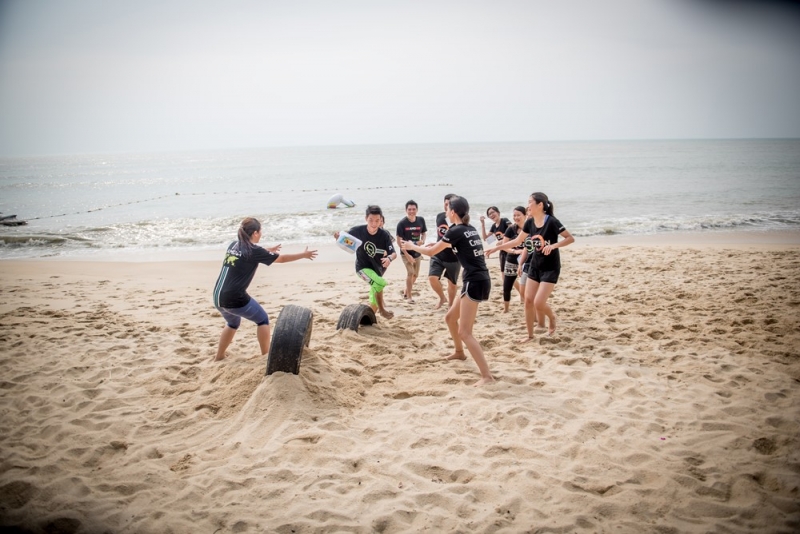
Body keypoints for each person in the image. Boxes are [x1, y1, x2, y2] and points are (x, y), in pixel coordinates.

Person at [401, 195, 494, 386]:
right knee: (450, 318)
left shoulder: (456, 230)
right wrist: (429, 246)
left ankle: (487, 376)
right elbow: (445, 247)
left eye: (447, 209)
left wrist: (412, 246)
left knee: (465, 332)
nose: (445, 212)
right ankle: (459, 353)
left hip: (475, 282)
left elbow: (433, 252)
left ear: (452, 212)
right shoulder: (468, 229)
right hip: (478, 279)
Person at [213, 217, 318, 361]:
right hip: (234, 298)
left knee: (232, 323)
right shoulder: (254, 251)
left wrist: (267, 251)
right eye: (260, 231)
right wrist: (303, 255)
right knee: (263, 320)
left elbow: (249, 254)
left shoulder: (233, 245)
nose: (261, 233)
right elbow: (281, 259)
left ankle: (219, 356)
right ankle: (265, 356)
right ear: (255, 233)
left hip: (218, 296)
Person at [486, 192, 575, 341]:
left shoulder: (552, 221)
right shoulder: (529, 222)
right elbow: (516, 241)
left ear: (540, 205)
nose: (528, 206)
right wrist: (497, 248)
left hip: (550, 267)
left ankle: (551, 318)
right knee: (528, 301)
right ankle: (530, 335)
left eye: (530, 202)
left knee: (539, 303)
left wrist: (553, 246)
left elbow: (570, 238)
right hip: (535, 266)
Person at [334, 204, 397, 319]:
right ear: (366, 219)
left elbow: (393, 253)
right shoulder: (357, 231)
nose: (374, 224)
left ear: (381, 220)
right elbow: (344, 240)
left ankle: (368, 320)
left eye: (377, 220)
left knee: (374, 300)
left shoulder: (384, 235)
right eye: (371, 220)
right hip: (362, 269)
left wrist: (389, 258)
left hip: (377, 270)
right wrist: (338, 237)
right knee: (381, 283)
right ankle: (382, 311)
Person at [428, 194, 461, 309]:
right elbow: (441, 234)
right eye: (445, 204)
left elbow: (457, 240)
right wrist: (436, 244)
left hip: (454, 257)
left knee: (452, 283)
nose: (447, 206)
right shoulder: (439, 216)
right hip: (438, 254)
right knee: (432, 278)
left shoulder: (458, 220)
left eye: (449, 204)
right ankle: (442, 297)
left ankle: (451, 304)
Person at [396, 200, 427, 303]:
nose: (411, 211)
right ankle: (409, 297)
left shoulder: (421, 220)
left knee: (416, 275)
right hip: (406, 253)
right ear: (406, 210)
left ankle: (406, 291)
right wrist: (407, 255)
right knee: (410, 273)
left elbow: (424, 233)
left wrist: (422, 241)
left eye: (413, 209)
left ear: (417, 210)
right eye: (409, 209)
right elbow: (399, 241)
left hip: (417, 251)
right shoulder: (402, 223)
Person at [500, 205, 527, 313]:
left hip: (526, 260)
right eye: (514, 215)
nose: (516, 217)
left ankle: (526, 304)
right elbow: (504, 245)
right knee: (507, 285)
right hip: (511, 259)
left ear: (525, 215)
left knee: (527, 286)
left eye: (518, 215)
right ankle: (506, 309)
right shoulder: (511, 229)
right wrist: (515, 251)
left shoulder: (530, 228)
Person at [480, 206, 511, 277]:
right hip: (503, 251)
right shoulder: (494, 227)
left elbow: (514, 231)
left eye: (493, 212)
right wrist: (483, 224)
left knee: (510, 275)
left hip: (511, 249)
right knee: (503, 274)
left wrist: (503, 240)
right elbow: (486, 239)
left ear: (498, 213)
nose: (491, 215)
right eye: (489, 214)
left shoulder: (504, 221)